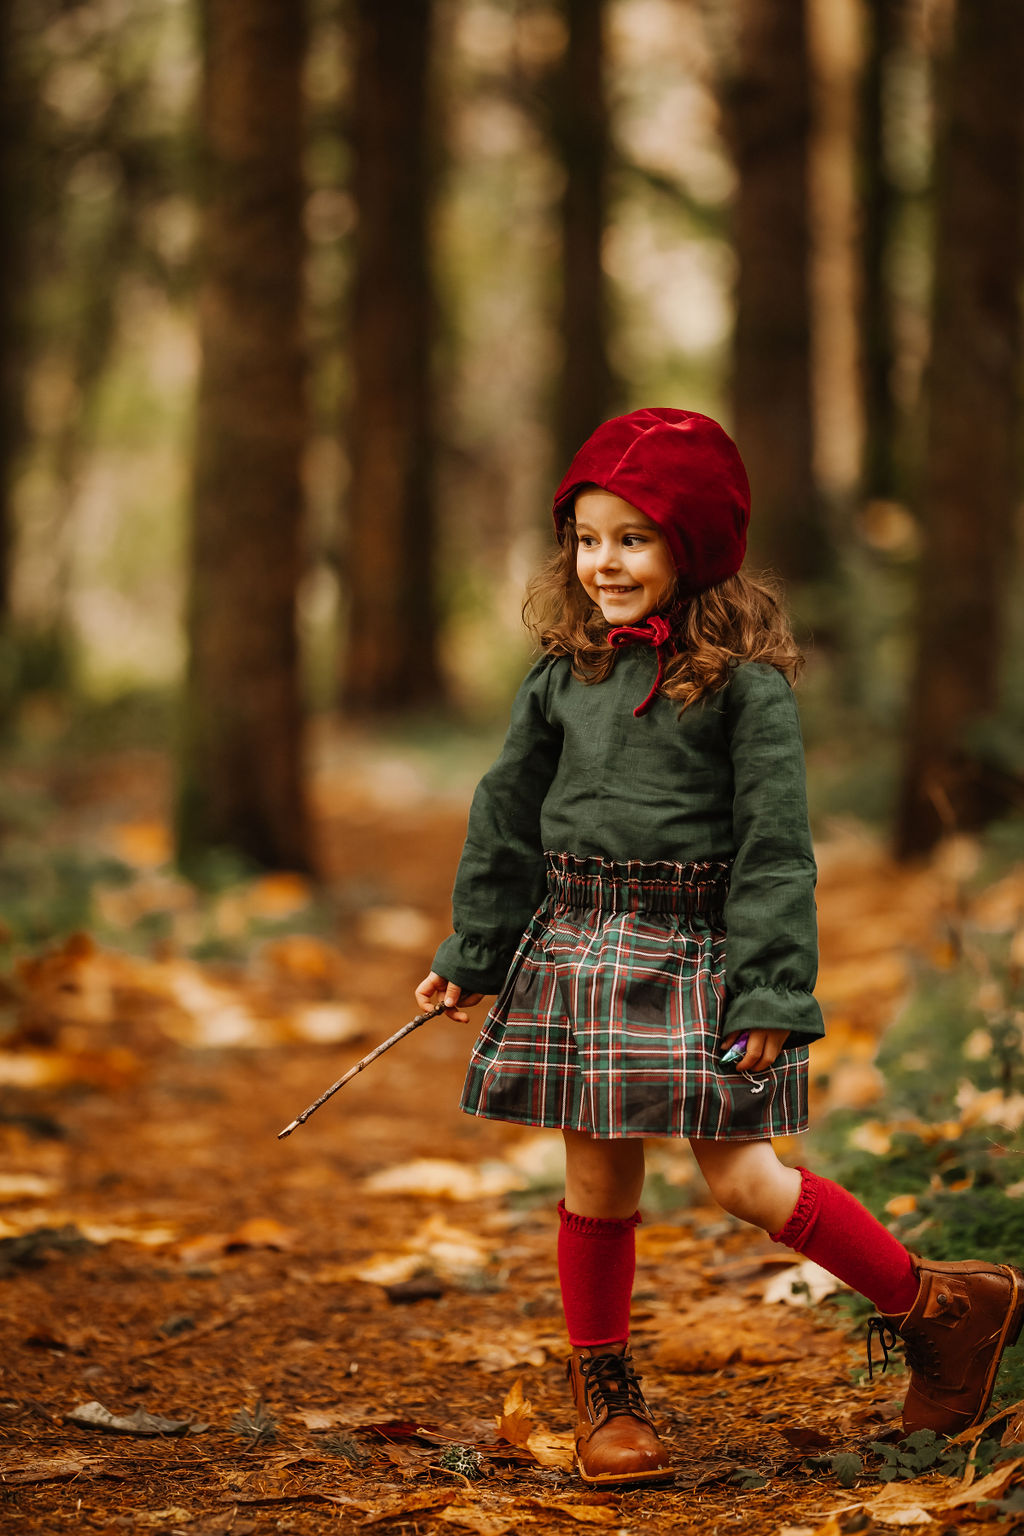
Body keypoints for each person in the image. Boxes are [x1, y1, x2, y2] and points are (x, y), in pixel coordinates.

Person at [415, 408, 1024, 1486]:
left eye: (633, 539)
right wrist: (474, 947)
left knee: (742, 1180)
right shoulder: (561, 673)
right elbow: (505, 812)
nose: (604, 563)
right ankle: (604, 1392)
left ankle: (939, 1304)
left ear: (693, 545)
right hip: (575, 944)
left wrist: (771, 990)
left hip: (694, 952)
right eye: (588, 538)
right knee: (595, 1176)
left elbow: (776, 848)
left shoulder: (746, 686)